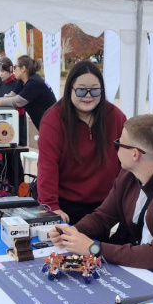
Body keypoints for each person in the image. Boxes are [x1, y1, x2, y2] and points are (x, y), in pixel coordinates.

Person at [50, 114, 153, 278]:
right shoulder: (129, 175)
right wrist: (72, 232)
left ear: (135, 154)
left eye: (119, 144)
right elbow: (103, 217)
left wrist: (94, 248)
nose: (116, 149)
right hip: (137, 268)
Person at [38, 60, 126, 224]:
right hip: (66, 206)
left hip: (107, 205)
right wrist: (51, 205)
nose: (88, 95)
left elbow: (127, 161)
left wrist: (124, 199)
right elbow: (47, 165)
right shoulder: (54, 118)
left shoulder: (115, 116)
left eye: (95, 90)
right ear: (70, 89)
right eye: (81, 90)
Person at [0, 55, 56, 131]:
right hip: (43, 123)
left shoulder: (35, 82)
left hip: (53, 123)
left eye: (15, 67)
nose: (14, 70)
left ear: (23, 68)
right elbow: (10, 96)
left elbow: (17, 101)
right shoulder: (22, 80)